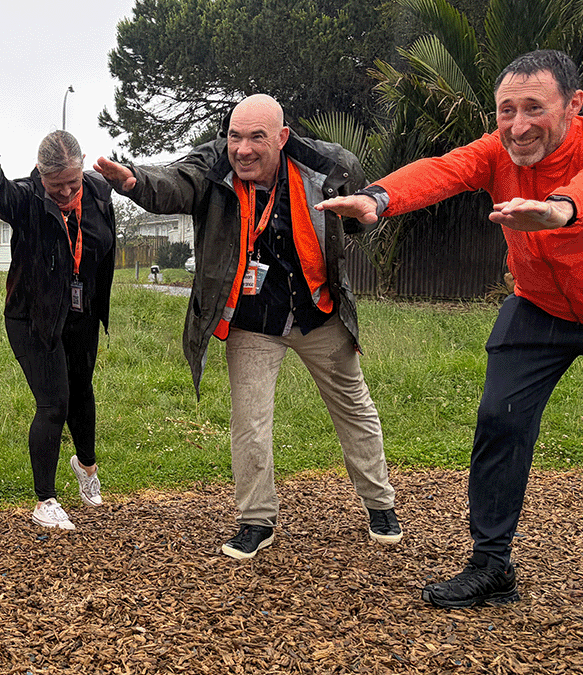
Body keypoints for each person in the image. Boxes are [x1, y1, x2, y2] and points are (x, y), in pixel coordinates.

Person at [317, 49, 583, 608]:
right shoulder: (498, 150)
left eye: (535, 107)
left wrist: (560, 209)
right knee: (499, 417)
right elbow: (443, 169)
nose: (518, 124)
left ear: (574, 105)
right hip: (539, 305)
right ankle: (491, 564)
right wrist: (377, 199)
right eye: (506, 109)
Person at [94, 94, 402, 559]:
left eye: (257, 137)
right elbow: (175, 182)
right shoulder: (213, 164)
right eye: (235, 136)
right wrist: (135, 181)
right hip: (252, 320)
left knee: (354, 407)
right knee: (249, 422)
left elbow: (360, 209)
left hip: (318, 309)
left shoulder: (328, 165)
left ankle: (380, 503)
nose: (243, 149)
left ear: (281, 138)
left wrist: (359, 215)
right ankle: (256, 519)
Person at [0, 131, 115, 530]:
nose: (65, 192)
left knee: (82, 389)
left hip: (80, 313)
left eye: (71, 183)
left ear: (82, 167)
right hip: (32, 316)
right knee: (54, 402)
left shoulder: (98, 191)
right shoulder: (27, 197)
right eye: (55, 185)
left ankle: (86, 467)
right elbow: (2, 195)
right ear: (40, 174)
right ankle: (45, 500)